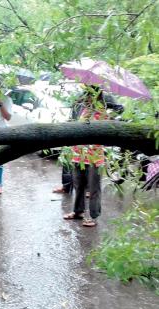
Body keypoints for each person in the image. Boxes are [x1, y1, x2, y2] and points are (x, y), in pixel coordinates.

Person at [63, 85, 108, 227]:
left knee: (94, 188)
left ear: (96, 96)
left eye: (89, 95)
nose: (86, 97)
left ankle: (93, 216)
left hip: (94, 157)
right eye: (86, 94)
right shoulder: (83, 109)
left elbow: (98, 133)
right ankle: (78, 211)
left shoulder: (101, 112)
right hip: (79, 155)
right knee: (78, 185)